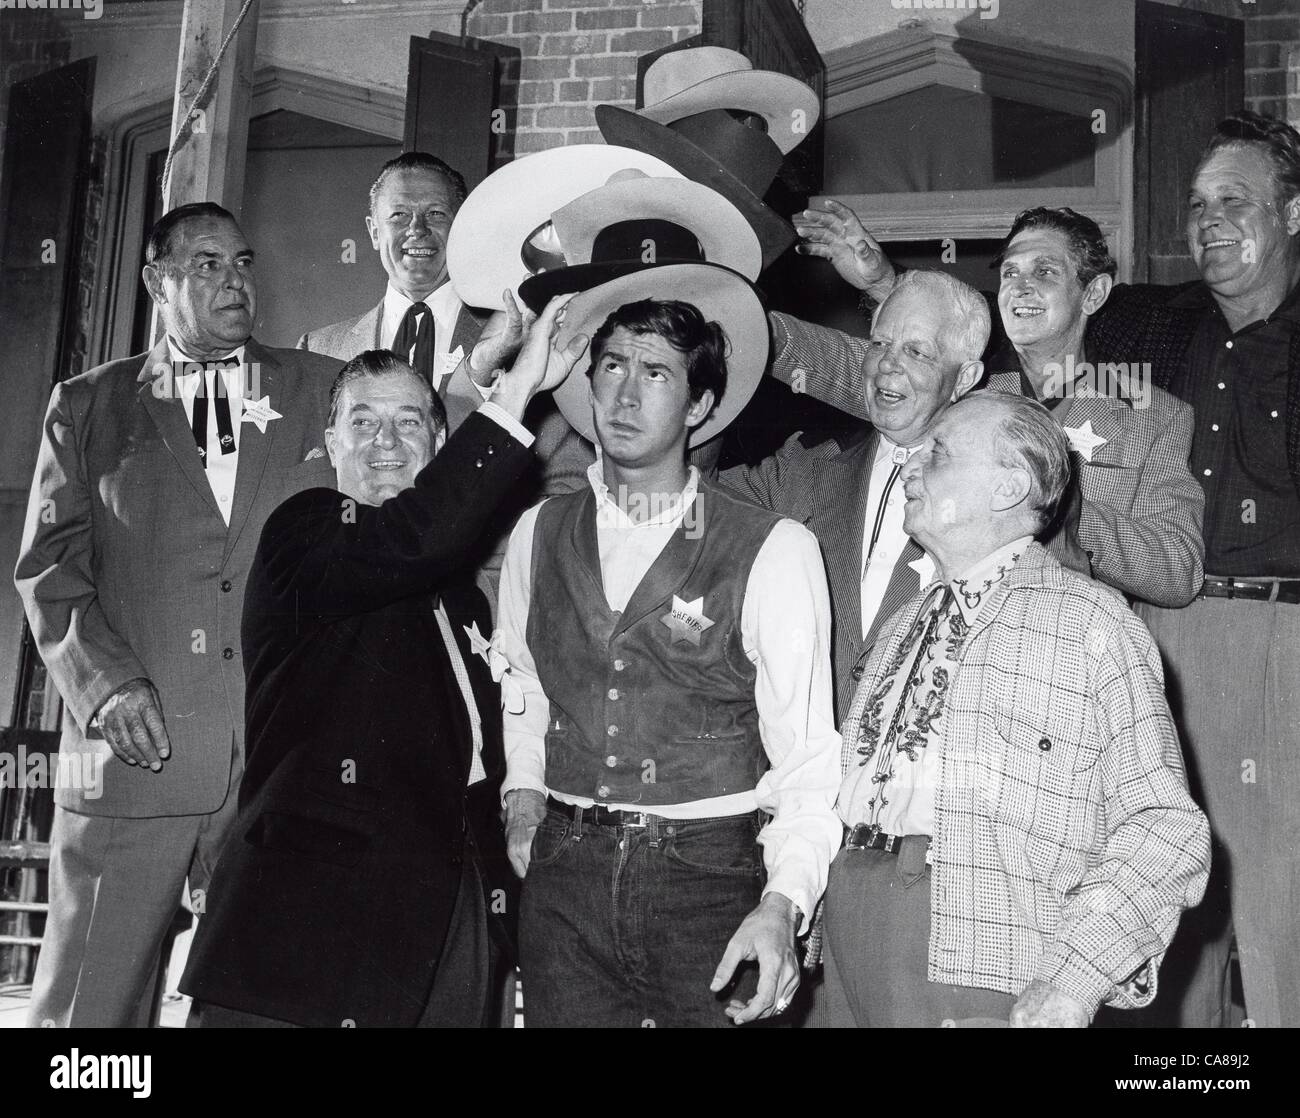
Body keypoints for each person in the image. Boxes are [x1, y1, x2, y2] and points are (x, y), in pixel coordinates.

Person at [181, 299, 586, 1027]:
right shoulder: (304, 535)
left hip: (449, 916)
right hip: (306, 925)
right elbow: (413, 538)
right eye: (362, 422)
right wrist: (516, 385)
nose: (385, 442)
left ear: (438, 440)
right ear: (328, 441)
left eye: (407, 423)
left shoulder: (461, 599)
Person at [14, 201, 340, 1027]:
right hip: (134, 764)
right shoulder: (89, 405)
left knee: (263, 1010)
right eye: (207, 266)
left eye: (242, 262)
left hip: (276, 765)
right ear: (158, 282)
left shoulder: (323, 391)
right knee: (90, 1017)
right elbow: (49, 568)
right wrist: (107, 686)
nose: (234, 280)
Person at [497, 289, 842, 1028]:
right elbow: (522, 678)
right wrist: (522, 797)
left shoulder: (773, 547)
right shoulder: (538, 531)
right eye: (612, 366)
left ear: (699, 405)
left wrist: (784, 902)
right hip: (564, 876)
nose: (624, 393)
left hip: (708, 877)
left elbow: (810, 757)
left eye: (656, 373)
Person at [825, 391, 1210, 1027]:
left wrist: (1075, 977)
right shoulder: (901, 626)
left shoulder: (1090, 624)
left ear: (1009, 486)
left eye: (939, 454)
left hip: (975, 948)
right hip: (845, 928)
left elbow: (1164, 828)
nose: (910, 466)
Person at [1079, 111, 1300, 1028]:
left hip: (1285, 642)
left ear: (1292, 213)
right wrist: (884, 283)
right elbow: (1026, 331)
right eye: (1199, 204)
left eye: (1234, 202)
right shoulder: (1154, 322)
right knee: (1165, 906)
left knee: (1281, 915)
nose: (1209, 221)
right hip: (1160, 633)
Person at [789, 201, 1204, 608]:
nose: (1022, 287)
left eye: (1045, 271)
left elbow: (1178, 572)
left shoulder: (1152, 413)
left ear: (1092, 293)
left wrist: (1065, 512)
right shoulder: (966, 389)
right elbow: (861, 370)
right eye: (1010, 272)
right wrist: (751, 330)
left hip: (1067, 648)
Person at [297, 150, 587, 610]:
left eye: (436, 214)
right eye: (398, 216)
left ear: (463, 226)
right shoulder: (319, 349)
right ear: (373, 231)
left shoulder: (528, 338)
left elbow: (566, 487)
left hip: (489, 612)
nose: (417, 230)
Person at [722, 269, 989, 722]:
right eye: (879, 344)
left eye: (916, 351)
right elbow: (685, 505)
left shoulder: (996, 502)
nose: (887, 364)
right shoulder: (802, 466)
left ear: (964, 378)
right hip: (799, 777)